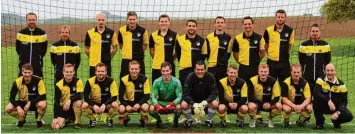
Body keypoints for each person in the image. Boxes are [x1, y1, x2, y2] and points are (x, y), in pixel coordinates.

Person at [313, 63, 353, 129]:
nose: (330, 72)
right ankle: (319, 123)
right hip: (323, 106)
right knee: (316, 101)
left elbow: (344, 101)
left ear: (335, 72)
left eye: (332, 70)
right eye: (328, 70)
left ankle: (336, 121)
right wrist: (328, 101)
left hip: (335, 107)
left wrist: (338, 112)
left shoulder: (341, 85)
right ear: (325, 71)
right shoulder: (320, 80)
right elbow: (316, 93)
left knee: (349, 116)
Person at [181, 60, 218, 128]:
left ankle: (208, 120)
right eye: (198, 69)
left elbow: (214, 93)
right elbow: (185, 94)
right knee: (183, 104)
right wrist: (193, 103)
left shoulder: (210, 76)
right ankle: (189, 120)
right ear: (194, 69)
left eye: (202, 69)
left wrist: (206, 102)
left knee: (215, 103)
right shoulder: (190, 77)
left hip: (205, 102)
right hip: (193, 102)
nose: (200, 71)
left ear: (205, 69)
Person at [81, 63, 119, 128]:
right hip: (94, 105)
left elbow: (114, 97)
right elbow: (86, 97)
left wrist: (104, 104)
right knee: (84, 105)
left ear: (106, 72)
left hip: (106, 105)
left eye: (102, 71)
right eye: (98, 71)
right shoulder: (90, 81)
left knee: (116, 105)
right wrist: (93, 105)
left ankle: (109, 119)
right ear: (95, 72)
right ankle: (92, 119)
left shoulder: (111, 81)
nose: (100, 73)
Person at [264, 9, 295, 83]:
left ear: (285, 18)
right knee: (270, 84)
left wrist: (283, 54)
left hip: (284, 63)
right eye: (278, 17)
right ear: (275, 17)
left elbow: (290, 45)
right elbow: (266, 46)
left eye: (282, 17)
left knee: (285, 85)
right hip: (271, 63)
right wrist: (272, 55)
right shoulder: (268, 30)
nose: (280, 19)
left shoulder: (290, 30)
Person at [299, 23, 331, 94]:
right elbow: (301, 61)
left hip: (321, 78)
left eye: (317, 31)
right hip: (307, 77)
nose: (315, 33)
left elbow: (328, 60)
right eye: (313, 31)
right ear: (310, 32)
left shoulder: (325, 45)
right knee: (307, 99)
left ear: (320, 32)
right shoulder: (303, 45)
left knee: (320, 100)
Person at [149, 62, 183, 128]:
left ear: (171, 70)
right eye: (163, 71)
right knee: (151, 108)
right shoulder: (156, 82)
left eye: (167, 71)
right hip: (161, 102)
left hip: (172, 102)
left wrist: (172, 104)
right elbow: (153, 96)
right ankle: (159, 120)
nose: (165, 73)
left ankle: (175, 120)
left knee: (179, 107)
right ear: (161, 71)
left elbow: (180, 96)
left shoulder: (176, 82)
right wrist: (157, 105)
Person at [248, 63, 282, 128]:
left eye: (265, 71)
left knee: (279, 106)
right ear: (258, 72)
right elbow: (250, 97)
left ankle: (269, 119)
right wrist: (262, 104)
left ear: (268, 72)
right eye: (261, 71)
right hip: (257, 103)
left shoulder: (273, 81)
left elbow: (277, 97)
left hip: (269, 104)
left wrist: (270, 103)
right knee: (250, 106)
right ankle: (252, 119)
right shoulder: (252, 80)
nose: (263, 73)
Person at [118, 60, 150, 127]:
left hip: (139, 102)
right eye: (132, 69)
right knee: (121, 108)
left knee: (145, 107)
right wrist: (126, 105)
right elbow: (120, 96)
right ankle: (125, 117)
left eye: (136, 69)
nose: (134, 71)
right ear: (129, 69)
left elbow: (147, 96)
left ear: (139, 69)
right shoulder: (124, 79)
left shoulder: (144, 79)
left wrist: (139, 104)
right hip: (128, 102)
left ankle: (143, 117)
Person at [84, 12, 118, 77]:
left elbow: (115, 48)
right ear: (96, 20)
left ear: (106, 21)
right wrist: (92, 57)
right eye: (99, 20)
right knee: (93, 83)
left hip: (106, 64)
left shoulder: (112, 33)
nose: (101, 22)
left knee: (107, 83)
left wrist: (109, 58)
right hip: (94, 64)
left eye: (103, 20)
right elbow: (86, 49)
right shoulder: (89, 33)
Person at [233, 16, 265, 82]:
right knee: (243, 88)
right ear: (243, 25)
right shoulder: (238, 38)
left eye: (249, 24)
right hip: (243, 68)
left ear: (252, 25)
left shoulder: (259, 38)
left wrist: (256, 60)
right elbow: (235, 53)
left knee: (254, 88)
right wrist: (240, 62)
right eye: (245, 24)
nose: (247, 26)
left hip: (255, 68)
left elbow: (262, 52)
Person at [176, 20, 207, 87]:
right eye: (189, 26)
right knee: (184, 89)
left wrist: (198, 65)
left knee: (197, 89)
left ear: (196, 28)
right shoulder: (179, 39)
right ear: (186, 27)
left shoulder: (202, 40)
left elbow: (204, 55)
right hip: (184, 70)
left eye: (193, 26)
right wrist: (184, 63)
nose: (191, 28)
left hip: (197, 70)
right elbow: (178, 54)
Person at [52, 64, 83, 129]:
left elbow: (80, 95)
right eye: (67, 72)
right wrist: (55, 117)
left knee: (78, 102)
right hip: (63, 109)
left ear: (74, 72)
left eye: (70, 72)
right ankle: (67, 119)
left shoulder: (78, 81)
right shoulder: (58, 85)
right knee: (57, 127)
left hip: (73, 108)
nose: (69, 74)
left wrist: (70, 100)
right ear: (63, 72)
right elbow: (56, 102)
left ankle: (77, 123)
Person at [16, 12, 48, 77]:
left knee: (37, 85)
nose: (32, 21)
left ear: (36, 20)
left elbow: (44, 49)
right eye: (29, 20)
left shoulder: (42, 33)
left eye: (33, 20)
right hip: (23, 65)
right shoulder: (21, 33)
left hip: (37, 66)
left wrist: (38, 57)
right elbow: (18, 48)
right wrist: (23, 56)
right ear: (26, 21)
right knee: (23, 86)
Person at [118, 11, 149, 79]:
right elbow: (121, 44)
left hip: (139, 59)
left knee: (141, 79)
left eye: (134, 19)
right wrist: (127, 51)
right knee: (124, 80)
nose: (132, 21)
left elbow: (145, 44)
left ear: (136, 19)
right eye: (130, 19)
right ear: (127, 20)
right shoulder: (121, 30)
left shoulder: (143, 31)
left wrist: (139, 52)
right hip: (126, 60)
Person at [280, 64, 312, 128]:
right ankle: (285, 120)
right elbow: (284, 99)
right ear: (291, 72)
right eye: (294, 72)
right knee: (287, 109)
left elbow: (308, 98)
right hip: (290, 105)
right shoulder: (286, 82)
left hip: (301, 104)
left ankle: (300, 121)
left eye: (298, 72)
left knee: (309, 108)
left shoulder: (305, 83)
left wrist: (301, 106)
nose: (296, 74)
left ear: (301, 73)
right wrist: (294, 106)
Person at [149, 14, 178, 83]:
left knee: (171, 88)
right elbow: (151, 51)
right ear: (159, 22)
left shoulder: (175, 35)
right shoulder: (153, 35)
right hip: (157, 66)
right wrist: (157, 58)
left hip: (170, 66)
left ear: (169, 22)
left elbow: (177, 51)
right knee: (156, 87)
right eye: (162, 21)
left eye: (165, 21)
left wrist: (171, 59)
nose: (164, 23)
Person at [205, 16, 233, 82]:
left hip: (223, 68)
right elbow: (207, 52)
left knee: (222, 87)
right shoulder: (209, 37)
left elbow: (228, 53)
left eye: (221, 22)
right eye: (218, 22)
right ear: (215, 24)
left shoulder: (228, 38)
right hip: (212, 67)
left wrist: (223, 61)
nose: (220, 24)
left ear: (224, 24)